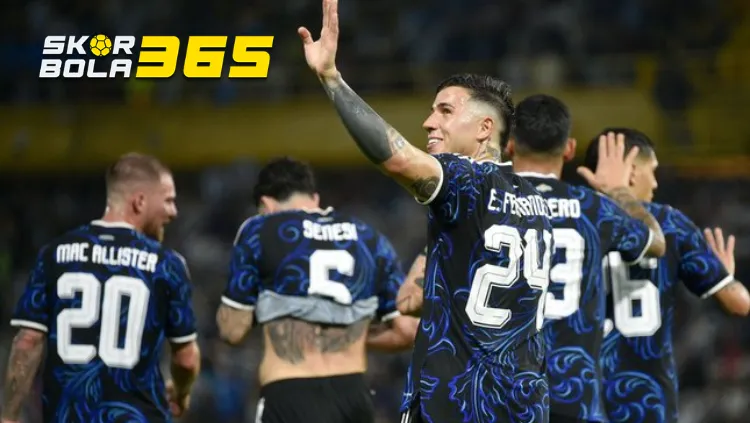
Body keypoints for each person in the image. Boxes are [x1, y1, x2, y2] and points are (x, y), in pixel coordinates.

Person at [298, 1, 558, 422]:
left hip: (458, 400)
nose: (428, 122)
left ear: (485, 129)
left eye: (445, 111)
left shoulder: (467, 180)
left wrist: (331, 78)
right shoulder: (535, 203)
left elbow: (397, 158)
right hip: (523, 402)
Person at [1, 153, 201, 423]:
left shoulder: (54, 254)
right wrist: (180, 393)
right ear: (140, 201)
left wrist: (9, 416)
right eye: (167, 200)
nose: (173, 212)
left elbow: (27, 342)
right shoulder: (167, 265)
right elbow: (186, 359)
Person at [216, 157, 417, 423]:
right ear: (315, 198)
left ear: (266, 204)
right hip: (352, 396)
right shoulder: (369, 238)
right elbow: (407, 330)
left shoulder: (260, 229)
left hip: (289, 394)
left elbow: (232, 330)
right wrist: (350, 334)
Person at [503, 95, 667, 423]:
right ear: (569, 149)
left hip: (502, 396)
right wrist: (618, 190)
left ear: (509, 146)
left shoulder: (489, 203)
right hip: (575, 397)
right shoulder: (595, 208)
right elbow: (656, 243)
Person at [581, 129, 750, 423]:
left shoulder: (573, 217)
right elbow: (740, 303)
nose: (656, 182)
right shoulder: (670, 224)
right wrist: (725, 276)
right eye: (652, 171)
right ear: (632, 171)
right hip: (649, 398)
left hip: (580, 394)